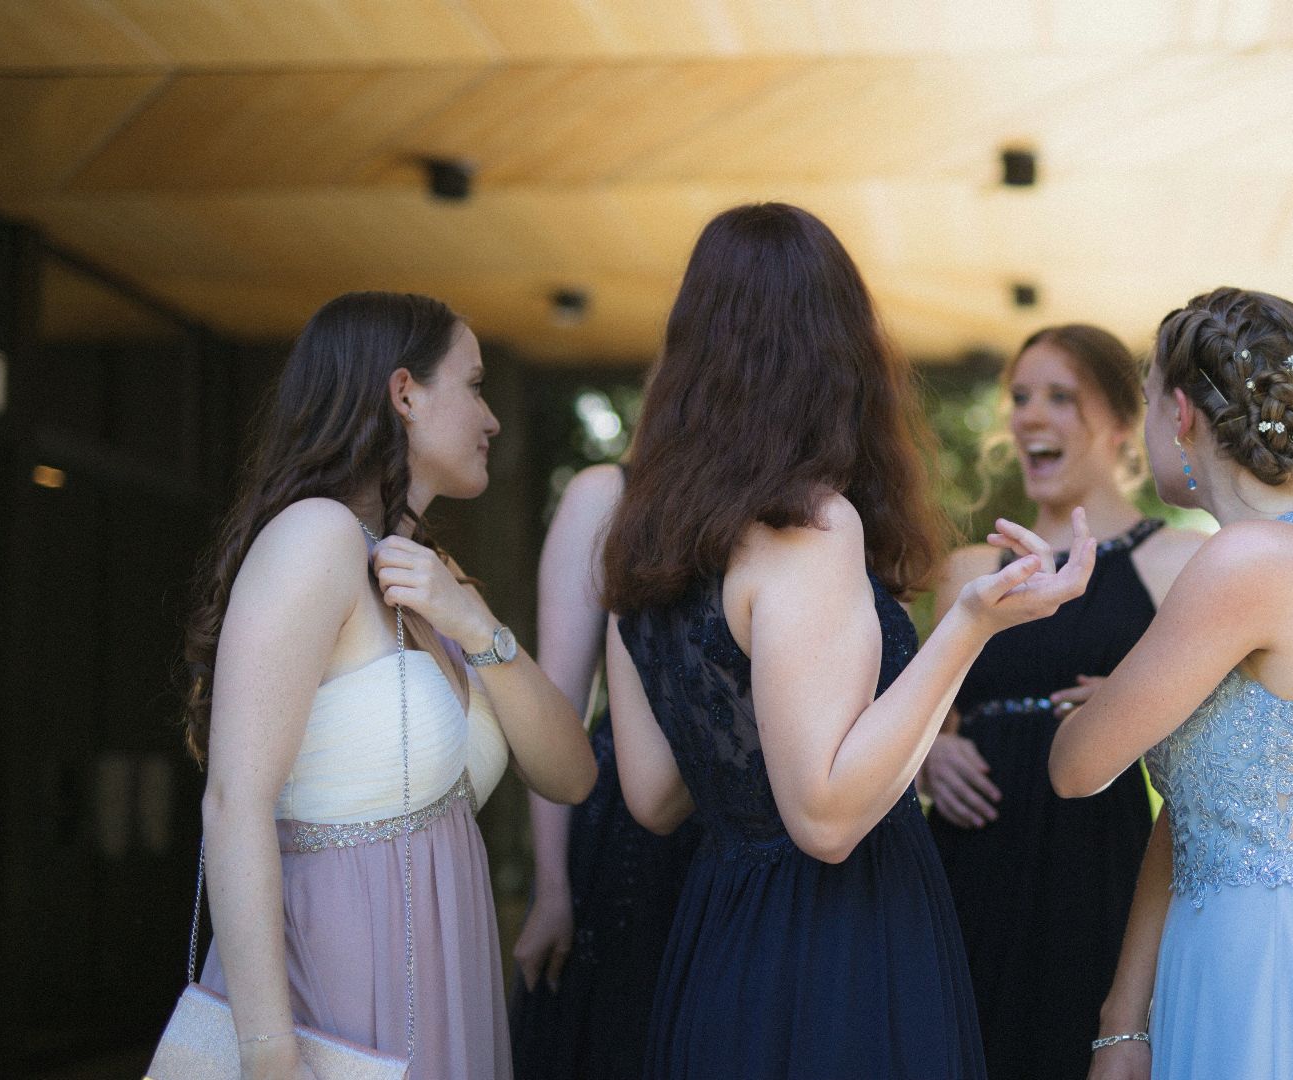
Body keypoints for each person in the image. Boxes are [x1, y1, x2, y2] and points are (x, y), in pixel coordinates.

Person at [600, 202, 1095, 1080]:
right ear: (836, 349)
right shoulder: (809, 524)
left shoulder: (648, 535)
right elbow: (825, 819)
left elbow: (653, 794)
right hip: (837, 943)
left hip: (721, 938)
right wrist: (973, 623)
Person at [183, 291, 597, 1080]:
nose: (493, 418)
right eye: (474, 386)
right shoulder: (314, 539)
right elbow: (234, 800)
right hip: (332, 987)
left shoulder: (432, 580)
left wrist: (477, 627)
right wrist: (270, 1057)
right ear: (405, 392)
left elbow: (571, 774)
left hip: (444, 981)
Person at [1050, 287, 1293, 1080]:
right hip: (1285, 956)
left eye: (1150, 400)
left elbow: (1075, 766)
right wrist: (1124, 1019)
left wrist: (1113, 687)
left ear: (1180, 413)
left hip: (1265, 971)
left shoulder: (1244, 562)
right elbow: (1196, 810)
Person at [922, 324, 1206, 1079]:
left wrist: (1141, 700)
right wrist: (932, 752)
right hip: (970, 863)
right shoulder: (968, 570)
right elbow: (920, 716)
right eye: (1019, 398)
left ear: (1122, 422)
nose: (1029, 416)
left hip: (1096, 867)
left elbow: (1223, 730)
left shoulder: (1178, 561)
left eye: (1059, 397)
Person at [510, 463, 700, 1080]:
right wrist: (551, 886)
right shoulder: (608, 493)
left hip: (731, 826)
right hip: (623, 827)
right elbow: (559, 706)